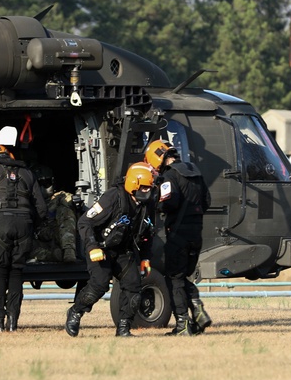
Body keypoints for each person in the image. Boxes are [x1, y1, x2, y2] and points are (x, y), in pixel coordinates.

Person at [65, 162, 155, 337]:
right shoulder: (113, 197)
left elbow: (148, 233)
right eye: (143, 188)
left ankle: (123, 328)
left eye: (149, 188)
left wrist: (145, 258)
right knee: (99, 285)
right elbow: (85, 222)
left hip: (124, 251)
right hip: (101, 248)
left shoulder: (147, 205)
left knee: (134, 288)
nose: (147, 192)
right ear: (133, 184)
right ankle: (76, 312)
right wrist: (92, 247)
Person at [0, 144, 47, 332]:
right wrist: (32, 226)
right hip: (24, 223)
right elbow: (42, 209)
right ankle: (13, 321)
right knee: (16, 272)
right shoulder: (27, 173)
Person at [145, 139, 212, 336]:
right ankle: (198, 311)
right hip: (196, 233)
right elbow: (207, 201)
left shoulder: (169, 176)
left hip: (178, 235)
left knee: (174, 278)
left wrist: (157, 205)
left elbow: (169, 203)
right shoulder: (195, 171)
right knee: (182, 277)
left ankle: (183, 324)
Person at [30, 165, 78, 263]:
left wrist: (69, 201)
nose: (43, 187)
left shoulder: (58, 198)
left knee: (65, 211)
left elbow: (68, 200)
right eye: (40, 184)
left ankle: (68, 251)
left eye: (47, 183)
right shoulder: (29, 202)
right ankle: (54, 256)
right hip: (37, 239)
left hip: (57, 235)